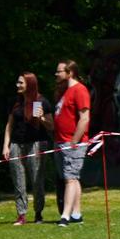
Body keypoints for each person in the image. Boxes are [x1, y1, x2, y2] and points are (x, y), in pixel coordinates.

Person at [3, 71, 52, 224]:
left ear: (29, 84)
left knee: (36, 180)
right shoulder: (16, 102)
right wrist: (6, 146)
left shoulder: (41, 101)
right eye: (18, 82)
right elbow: (9, 125)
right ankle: (21, 214)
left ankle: (38, 213)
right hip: (17, 144)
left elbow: (51, 126)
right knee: (18, 179)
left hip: (36, 144)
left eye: (21, 83)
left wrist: (42, 118)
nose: (17, 85)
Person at [51, 60, 91, 225]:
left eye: (60, 71)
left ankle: (65, 216)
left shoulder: (79, 90)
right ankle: (76, 214)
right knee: (72, 178)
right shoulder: (64, 91)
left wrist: (74, 141)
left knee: (70, 178)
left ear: (70, 73)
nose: (56, 74)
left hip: (72, 143)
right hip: (60, 141)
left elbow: (84, 118)